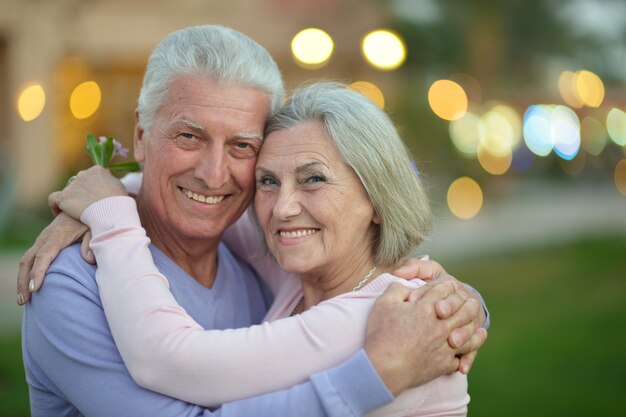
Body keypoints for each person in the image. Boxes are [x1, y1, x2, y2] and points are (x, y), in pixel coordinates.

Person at [18, 25, 487, 417]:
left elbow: (174, 360)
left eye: (242, 146)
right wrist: (109, 199)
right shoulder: (71, 283)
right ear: (141, 137)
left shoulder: (362, 302)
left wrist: (461, 306)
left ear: (378, 200)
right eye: (189, 136)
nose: (215, 173)